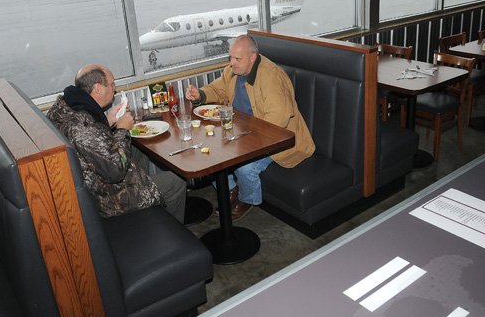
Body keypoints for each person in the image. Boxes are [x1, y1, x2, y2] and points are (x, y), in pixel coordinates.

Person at [186, 34, 315, 220]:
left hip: (278, 140)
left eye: (237, 59)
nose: (232, 63)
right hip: (241, 132)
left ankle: (247, 199)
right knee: (208, 156)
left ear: (253, 57)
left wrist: (248, 142)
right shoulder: (233, 71)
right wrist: (199, 94)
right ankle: (231, 190)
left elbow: (278, 118)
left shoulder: (271, 77)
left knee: (245, 168)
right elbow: (217, 89)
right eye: (230, 57)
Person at [47, 64, 186, 222]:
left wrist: (108, 121)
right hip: (107, 198)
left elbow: (92, 140)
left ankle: (150, 207)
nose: (115, 89)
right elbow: (115, 171)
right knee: (177, 182)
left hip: (96, 174)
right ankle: (168, 230)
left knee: (138, 149)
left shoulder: (70, 107)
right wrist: (122, 129)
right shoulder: (81, 128)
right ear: (98, 88)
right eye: (112, 84)